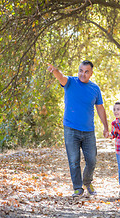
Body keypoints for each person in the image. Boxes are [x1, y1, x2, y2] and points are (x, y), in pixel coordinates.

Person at [47, 60, 109, 197]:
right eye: (81, 70)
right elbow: (61, 77)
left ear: (91, 73)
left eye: (86, 72)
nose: (83, 74)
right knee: (74, 160)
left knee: (92, 160)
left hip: (88, 131)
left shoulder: (95, 89)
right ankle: (77, 188)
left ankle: (87, 181)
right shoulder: (70, 82)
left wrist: (106, 127)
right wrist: (55, 70)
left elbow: (100, 108)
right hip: (71, 129)